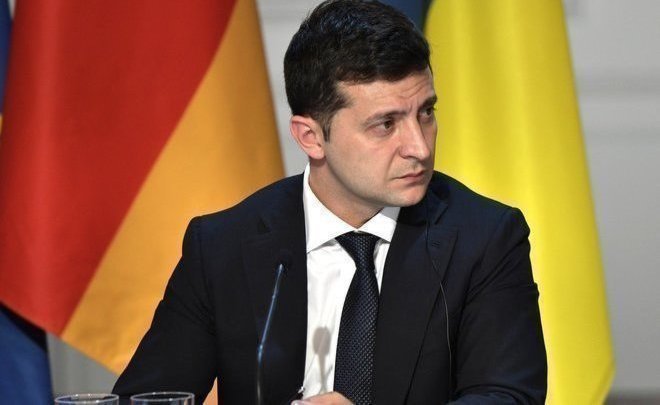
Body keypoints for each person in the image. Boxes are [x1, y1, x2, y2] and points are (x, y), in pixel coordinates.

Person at [113, 1, 547, 403]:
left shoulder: (485, 239)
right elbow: (147, 399)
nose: (419, 147)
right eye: (385, 124)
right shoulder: (222, 246)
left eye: (426, 113)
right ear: (311, 137)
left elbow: (507, 396)